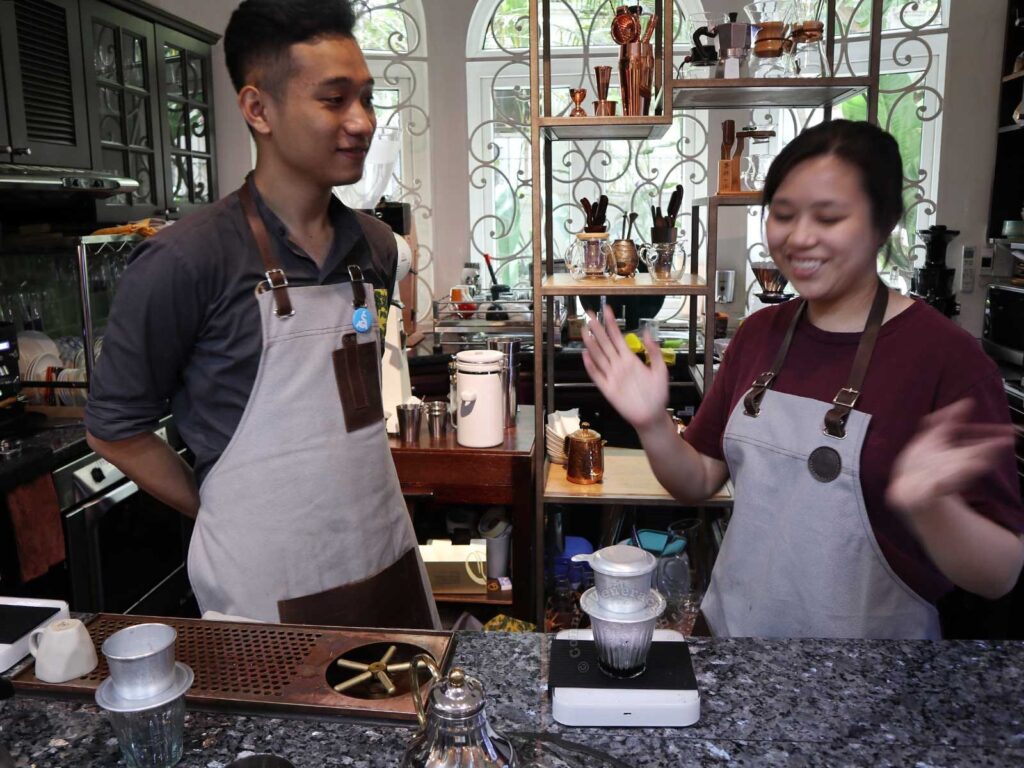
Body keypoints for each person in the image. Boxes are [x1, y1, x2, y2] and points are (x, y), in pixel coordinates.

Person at [582, 120, 1024, 639]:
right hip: (734, 646)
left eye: (829, 216)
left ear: (884, 222)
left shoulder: (947, 359)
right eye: (783, 214)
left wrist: (934, 508)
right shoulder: (759, 333)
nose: (799, 237)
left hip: (869, 682)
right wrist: (652, 424)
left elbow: (1000, 575)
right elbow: (698, 480)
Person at [84, 0, 439, 629]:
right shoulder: (183, 262)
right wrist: (221, 508)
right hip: (263, 589)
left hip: (382, 559)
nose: (362, 121)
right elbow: (115, 429)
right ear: (258, 109)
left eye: (366, 97)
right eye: (334, 99)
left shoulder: (377, 248)